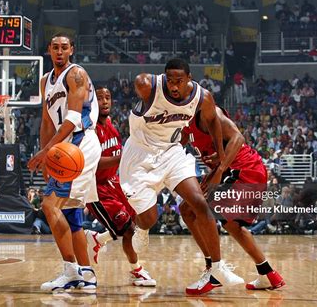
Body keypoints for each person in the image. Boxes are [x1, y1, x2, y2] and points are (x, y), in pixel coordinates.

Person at [119, 58, 243, 290]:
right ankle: (143, 228)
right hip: (139, 155)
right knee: (149, 218)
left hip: (171, 152)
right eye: (170, 80)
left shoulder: (202, 97)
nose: (174, 86)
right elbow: (143, 82)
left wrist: (219, 154)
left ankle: (217, 267)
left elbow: (213, 121)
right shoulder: (147, 85)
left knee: (199, 203)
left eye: (179, 81)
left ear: (189, 79)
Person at [181, 106, 285, 294]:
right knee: (226, 223)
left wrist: (219, 171)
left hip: (244, 168)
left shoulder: (208, 113)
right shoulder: (182, 122)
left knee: (200, 209)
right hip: (231, 168)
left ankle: (214, 271)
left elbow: (238, 138)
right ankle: (268, 273)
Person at [27, 33, 101, 292]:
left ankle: (71, 271)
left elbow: (72, 118)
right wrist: (46, 156)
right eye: (55, 47)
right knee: (69, 213)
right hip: (63, 147)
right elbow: (47, 122)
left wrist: (48, 150)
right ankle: (87, 274)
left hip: (79, 142)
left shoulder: (76, 73)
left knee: (49, 205)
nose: (59, 51)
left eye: (64, 47)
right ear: (48, 50)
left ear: (72, 50)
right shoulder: (45, 81)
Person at [84, 87, 156, 286]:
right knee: (129, 231)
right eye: (99, 98)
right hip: (97, 189)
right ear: (92, 102)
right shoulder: (89, 129)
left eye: (108, 97)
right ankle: (136, 271)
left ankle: (99, 239)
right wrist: (122, 157)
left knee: (138, 219)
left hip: (114, 182)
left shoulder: (112, 126)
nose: (105, 101)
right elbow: (95, 163)